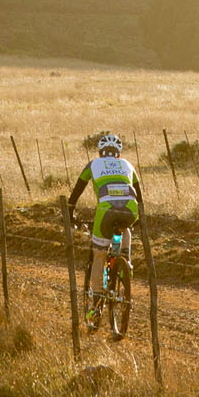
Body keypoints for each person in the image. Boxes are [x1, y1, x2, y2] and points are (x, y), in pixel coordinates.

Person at [66, 133, 142, 329]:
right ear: (118, 154)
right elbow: (139, 196)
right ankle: (126, 261)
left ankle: (96, 305)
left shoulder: (93, 164)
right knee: (126, 227)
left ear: (100, 152)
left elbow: (77, 190)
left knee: (99, 255)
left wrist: (69, 212)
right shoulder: (128, 165)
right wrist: (140, 218)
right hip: (130, 209)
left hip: (106, 211)